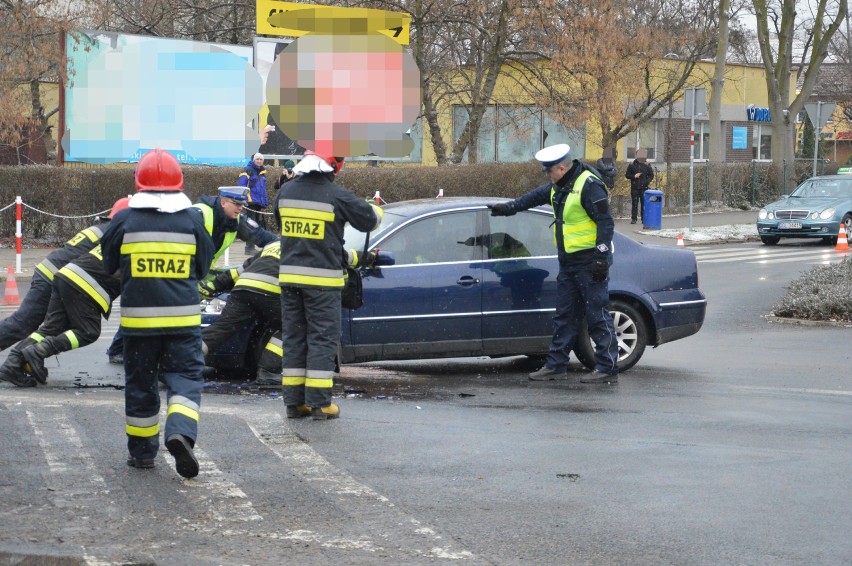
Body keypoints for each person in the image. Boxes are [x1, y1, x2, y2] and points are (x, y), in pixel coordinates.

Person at [101, 149, 215, 478]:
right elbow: (203, 267)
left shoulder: (124, 219)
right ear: (179, 184)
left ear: (139, 183)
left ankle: (142, 455)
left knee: (141, 384)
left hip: (139, 323)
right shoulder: (193, 219)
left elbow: (109, 265)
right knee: (186, 380)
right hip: (183, 322)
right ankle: (179, 433)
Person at [488, 143, 619, 384]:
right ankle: (556, 365)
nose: (548, 175)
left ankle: (607, 366)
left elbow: (606, 222)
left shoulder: (588, 185)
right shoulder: (559, 186)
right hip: (568, 262)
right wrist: (508, 209)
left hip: (590, 262)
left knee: (597, 314)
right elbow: (533, 197)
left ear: (561, 168)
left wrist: (601, 257)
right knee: (565, 315)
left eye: (549, 171)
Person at [105, 184, 278, 364]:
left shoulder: (236, 220)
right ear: (223, 201)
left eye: (242, 205)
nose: (240, 208)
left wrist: (282, 245)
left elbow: (262, 236)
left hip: (197, 270)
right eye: (236, 204)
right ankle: (119, 349)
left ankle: (172, 350)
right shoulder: (199, 213)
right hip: (174, 266)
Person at [276, 151, 383, 420]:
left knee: (294, 339)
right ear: (332, 166)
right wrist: (377, 208)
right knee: (321, 340)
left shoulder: (285, 192)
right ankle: (320, 403)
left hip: (289, 280)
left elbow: (282, 227)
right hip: (322, 282)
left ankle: (294, 402)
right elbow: (369, 220)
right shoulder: (336, 195)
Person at [199, 241, 376, 389]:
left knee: (222, 328)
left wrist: (213, 285)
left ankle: (185, 360)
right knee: (295, 325)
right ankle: (268, 372)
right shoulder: (314, 244)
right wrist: (371, 257)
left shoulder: (274, 244)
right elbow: (347, 257)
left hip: (244, 288)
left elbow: (239, 270)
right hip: (272, 290)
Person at [0, 198, 129, 387]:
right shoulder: (114, 232)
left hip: (54, 271)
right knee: (24, 323)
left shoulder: (101, 228)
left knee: (52, 327)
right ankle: (19, 360)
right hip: (56, 276)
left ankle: (15, 363)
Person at [238, 152, 269, 253]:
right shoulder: (248, 170)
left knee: (256, 225)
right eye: (257, 159)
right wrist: (242, 200)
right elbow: (242, 185)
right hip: (250, 201)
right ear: (254, 160)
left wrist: (264, 202)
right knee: (251, 225)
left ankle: (252, 246)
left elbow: (262, 189)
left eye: (261, 159)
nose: (259, 161)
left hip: (257, 203)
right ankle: (249, 247)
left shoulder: (263, 172)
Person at [626, 148, 654, 225]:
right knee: (634, 204)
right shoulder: (632, 164)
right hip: (634, 187)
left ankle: (643, 219)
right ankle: (634, 219)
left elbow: (651, 175)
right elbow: (627, 175)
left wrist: (646, 182)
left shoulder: (647, 164)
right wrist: (634, 176)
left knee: (644, 204)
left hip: (644, 188)